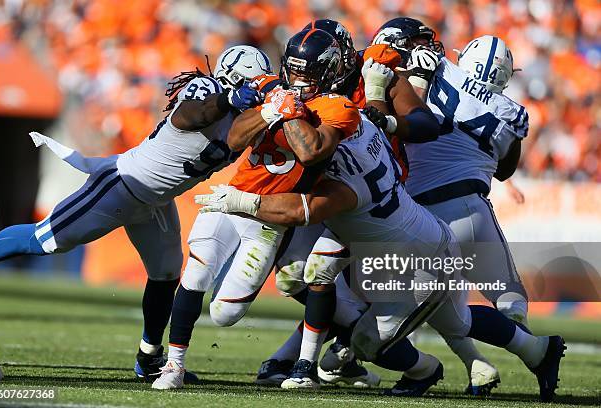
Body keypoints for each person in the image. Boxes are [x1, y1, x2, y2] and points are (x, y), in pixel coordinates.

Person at [195, 111, 565, 402]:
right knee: (458, 322)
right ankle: (538, 349)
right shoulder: (363, 132)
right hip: (417, 236)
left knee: (366, 342)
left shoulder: (344, 182)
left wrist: (244, 201)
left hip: (420, 267)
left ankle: (424, 370)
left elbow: (299, 211)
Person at [0, 44, 271, 383]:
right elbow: (188, 116)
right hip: (122, 184)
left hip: (156, 203)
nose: (257, 92)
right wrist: (229, 99)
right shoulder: (208, 90)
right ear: (236, 80)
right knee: (46, 239)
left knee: (166, 275)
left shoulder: (245, 120)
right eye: (253, 84)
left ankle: (149, 357)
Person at [151, 28, 361, 390]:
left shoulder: (337, 108)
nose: (298, 80)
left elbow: (311, 151)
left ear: (328, 73)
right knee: (196, 273)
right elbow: (234, 139)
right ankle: (174, 365)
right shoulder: (277, 91)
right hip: (231, 199)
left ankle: (345, 341)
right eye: (294, 71)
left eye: (307, 74)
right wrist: (268, 110)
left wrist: (289, 110)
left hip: (269, 219)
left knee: (225, 314)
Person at [256, 18, 441, 389]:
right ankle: (319, 355)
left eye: (316, 69)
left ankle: (309, 361)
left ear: (340, 61)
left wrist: (387, 120)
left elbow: (426, 123)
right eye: (298, 71)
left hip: (365, 193)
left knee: (327, 282)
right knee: (300, 277)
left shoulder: (374, 70)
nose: (304, 80)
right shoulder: (301, 85)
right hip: (329, 186)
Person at [372, 22, 532, 395]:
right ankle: (526, 348)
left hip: (419, 209)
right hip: (472, 204)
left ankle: (341, 353)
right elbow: (506, 169)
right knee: (508, 294)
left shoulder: (436, 66)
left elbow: (414, 119)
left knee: (409, 301)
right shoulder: (511, 110)